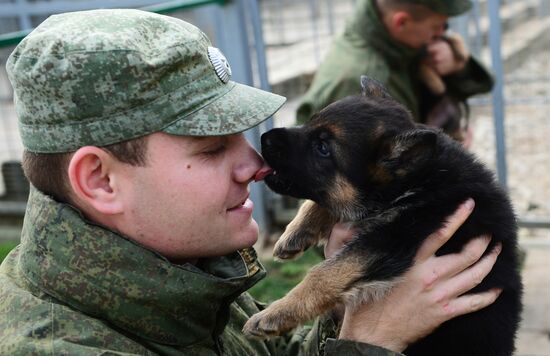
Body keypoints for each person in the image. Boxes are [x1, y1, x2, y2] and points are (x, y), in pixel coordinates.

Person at [0, 9, 501, 355]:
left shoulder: (177, 263)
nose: (256, 166)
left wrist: (351, 302)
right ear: (100, 180)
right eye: (212, 148)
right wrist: (368, 342)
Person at [296, 0, 493, 145]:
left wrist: (457, 65)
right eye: (436, 26)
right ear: (401, 22)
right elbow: (376, 177)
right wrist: (451, 151)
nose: (442, 33)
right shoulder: (363, 78)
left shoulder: (392, 39)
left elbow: (483, 84)